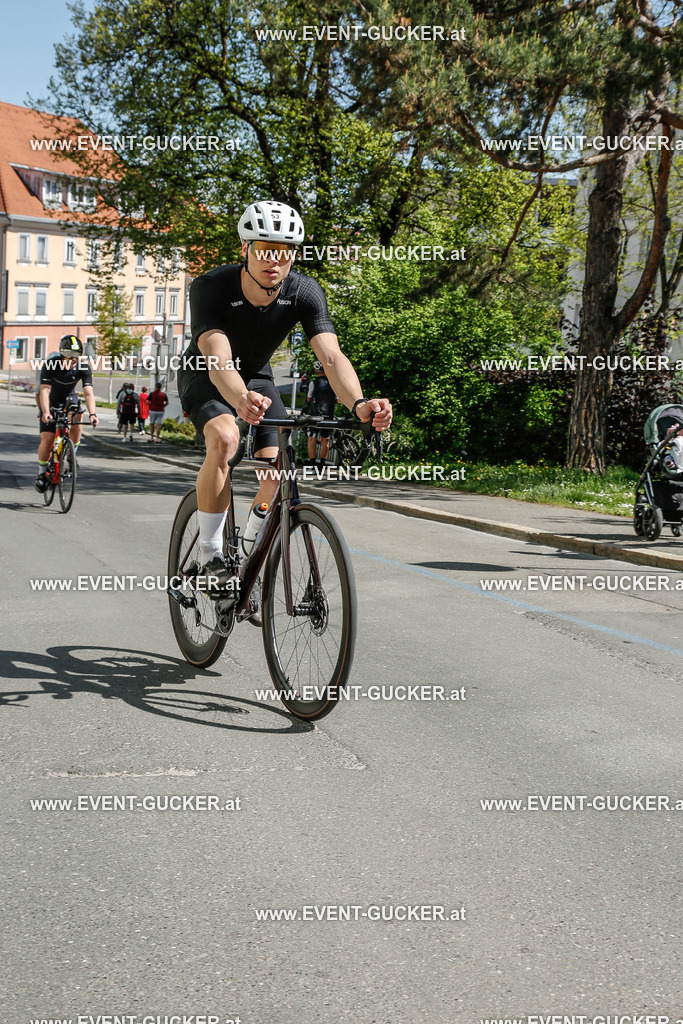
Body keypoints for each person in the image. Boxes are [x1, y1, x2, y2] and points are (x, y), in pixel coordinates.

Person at [176, 198, 392, 621]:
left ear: (294, 254)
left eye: (284, 251)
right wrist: (239, 398)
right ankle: (211, 556)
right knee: (226, 437)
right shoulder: (211, 286)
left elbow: (331, 357)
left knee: (277, 474)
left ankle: (246, 553)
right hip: (207, 373)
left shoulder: (304, 292)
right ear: (245, 249)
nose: (274, 260)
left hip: (257, 377)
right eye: (264, 250)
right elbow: (217, 358)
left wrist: (360, 404)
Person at [35, 335, 99, 492]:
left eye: (76, 357)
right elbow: (44, 390)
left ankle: (72, 453)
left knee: (78, 415)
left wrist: (93, 414)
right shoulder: (51, 365)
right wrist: (45, 411)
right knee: (47, 439)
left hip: (69, 398)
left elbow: (88, 393)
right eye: (69, 357)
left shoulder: (83, 367)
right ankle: (42, 473)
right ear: (62, 355)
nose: (73, 360)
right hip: (50, 401)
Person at [306, 360, 337, 467]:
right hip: (328, 416)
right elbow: (337, 400)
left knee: (312, 439)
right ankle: (322, 465)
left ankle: (313, 464)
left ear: (317, 370)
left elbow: (309, 398)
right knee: (325, 441)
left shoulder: (313, 383)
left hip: (315, 416)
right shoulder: (333, 383)